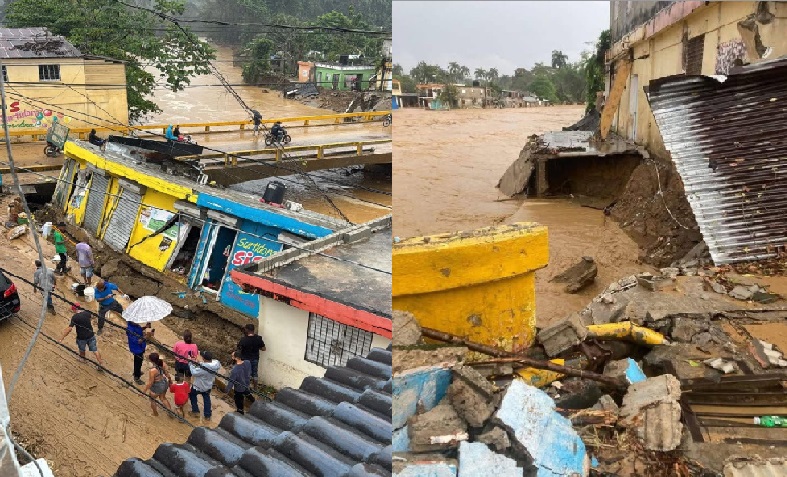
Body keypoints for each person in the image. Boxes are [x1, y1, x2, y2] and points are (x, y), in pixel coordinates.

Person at [188, 350, 221, 420]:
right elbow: (206, 364)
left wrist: (190, 363)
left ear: (204, 358)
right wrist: (199, 363)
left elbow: (194, 373)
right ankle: (207, 415)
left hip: (198, 385)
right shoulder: (216, 363)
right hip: (208, 385)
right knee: (206, 398)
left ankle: (195, 411)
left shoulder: (204, 368)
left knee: (192, 395)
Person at [225, 349, 255, 414]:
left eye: (232, 356)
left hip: (239, 388)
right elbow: (250, 372)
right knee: (247, 391)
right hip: (246, 383)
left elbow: (231, 382)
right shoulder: (247, 362)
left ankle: (240, 411)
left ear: (236, 358)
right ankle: (253, 401)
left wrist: (227, 390)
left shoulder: (235, 370)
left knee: (239, 399)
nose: (231, 357)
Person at [143, 352, 173, 417]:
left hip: (157, 386)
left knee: (152, 399)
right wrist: (170, 381)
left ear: (151, 360)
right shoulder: (163, 364)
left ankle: (155, 413)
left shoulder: (152, 371)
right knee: (163, 398)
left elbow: (150, 383)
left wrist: (144, 391)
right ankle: (170, 412)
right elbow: (167, 374)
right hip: (164, 383)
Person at [126, 321, 152, 385]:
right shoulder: (130, 330)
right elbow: (138, 341)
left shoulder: (135, 326)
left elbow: (139, 330)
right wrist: (147, 336)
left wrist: (146, 327)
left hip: (140, 348)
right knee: (138, 362)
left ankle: (137, 372)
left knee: (140, 360)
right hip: (136, 348)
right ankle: (137, 377)